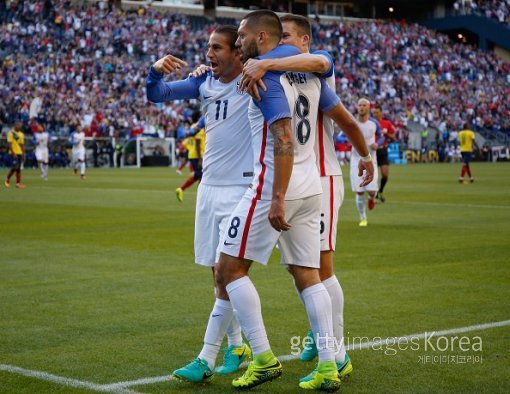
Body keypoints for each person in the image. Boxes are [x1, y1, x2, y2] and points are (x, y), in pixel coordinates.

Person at [214, 10, 373, 391]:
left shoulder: (265, 75)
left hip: (276, 185)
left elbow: (283, 138)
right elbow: (336, 105)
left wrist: (277, 198)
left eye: (241, 36)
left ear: (262, 38)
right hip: (312, 184)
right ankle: (330, 364)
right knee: (308, 274)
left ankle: (263, 357)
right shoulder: (311, 74)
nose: (238, 43)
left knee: (228, 270)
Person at [146, 26, 254, 380]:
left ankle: (209, 356)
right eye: (207, 47)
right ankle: (237, 345)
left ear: (238, 52)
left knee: (228, 274)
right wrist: (155, 70)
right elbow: (157, 95)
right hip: (209, 189)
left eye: (216, 48)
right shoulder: (203, 82)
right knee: (216, 273)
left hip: (241, 190)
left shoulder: (254, 81)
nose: (208, 54)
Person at [352, 99, 379, 227]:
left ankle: (372, 198)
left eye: (364, 105)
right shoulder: (352, 122)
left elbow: (383, 135)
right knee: (359, 191)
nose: (361, 107)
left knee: (372, 191)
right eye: (360, 105)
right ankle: (363, 217)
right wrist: (349, 139)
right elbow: (341, 136)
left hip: (371, 160)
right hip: (356, 160)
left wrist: (377, 144)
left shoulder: (374, 123)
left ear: (368, 108)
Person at [372, 105, 396, 202]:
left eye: (377, 112)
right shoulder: (370, 123)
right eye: (374, 112)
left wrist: (386, 134)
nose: (375, 114)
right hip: (372, 151)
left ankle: (380, 191)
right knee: (373, 176)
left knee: (385, 174)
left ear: (381, 113)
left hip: (383, 150)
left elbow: (394, 138)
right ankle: (373, 196)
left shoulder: (387, 123)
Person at [175, 124, 204, 202]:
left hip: (192, 154)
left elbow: (185, 143)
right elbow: (198, 143)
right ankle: (181, 189)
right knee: (200, 175)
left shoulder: (193, 128)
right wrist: (200, 157)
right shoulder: (199, 128)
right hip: (196, 155)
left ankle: (201, 196)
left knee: (201, 176)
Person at [4, 121, 26, 188]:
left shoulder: (21, 134)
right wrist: (13, 153)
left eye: (19, 125)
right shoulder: (11, 133)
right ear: (15, 126)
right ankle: (7, 179)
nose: (18, 126)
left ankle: (18, 184)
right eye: (17, 125)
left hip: (19, 153)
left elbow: (22, 145)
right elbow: (9, 144)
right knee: (14, 167)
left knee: (18, 168)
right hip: (13, 153)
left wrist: (24, 154)